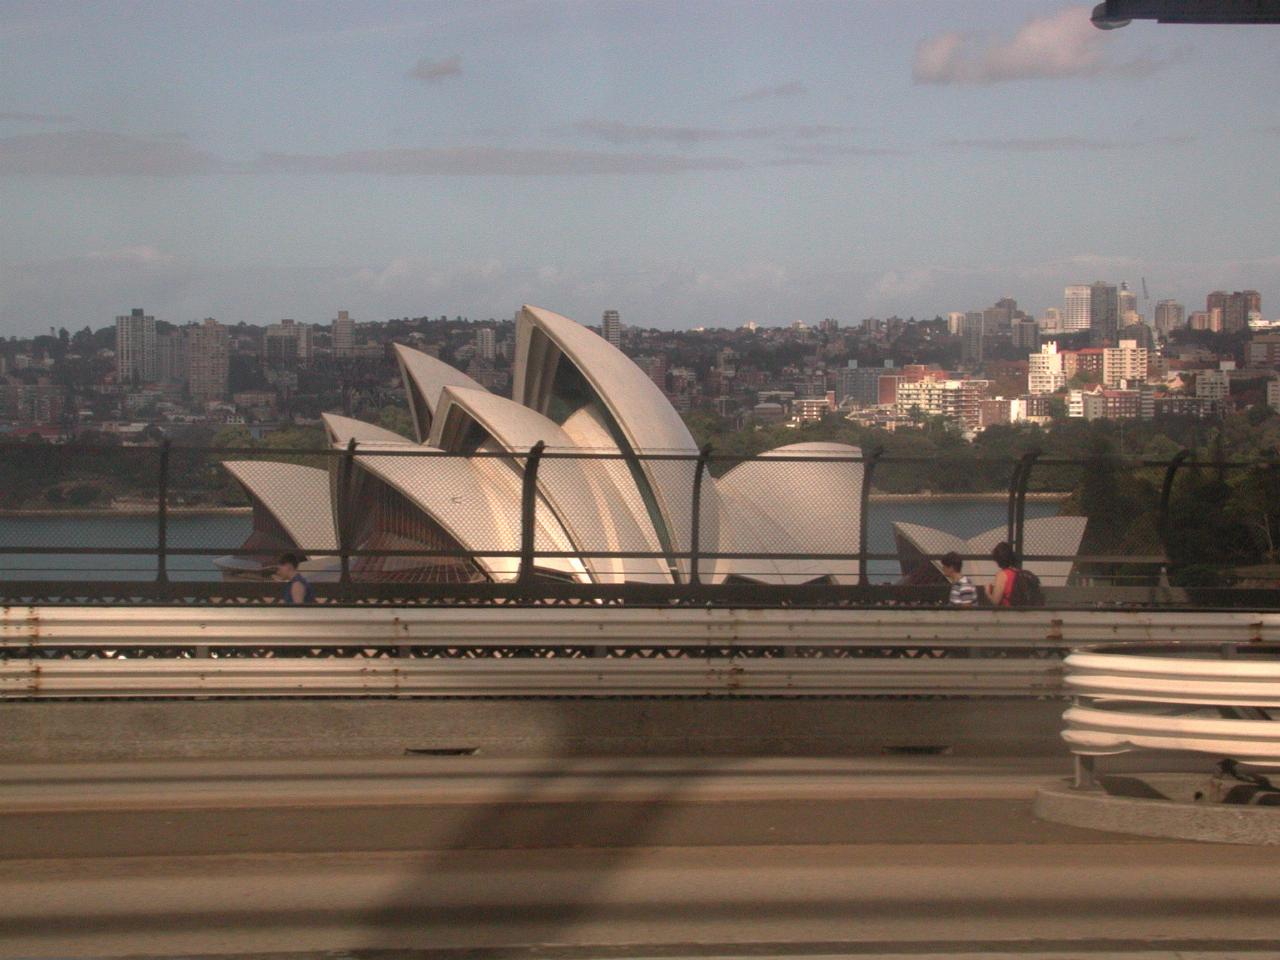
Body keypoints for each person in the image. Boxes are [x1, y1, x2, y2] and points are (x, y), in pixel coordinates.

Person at [985, 541, 1018, 607]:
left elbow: (995, 602)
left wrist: (988, 592)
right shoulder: (1019, 572)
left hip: (1008, 613)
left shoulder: (1002, 575)